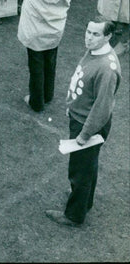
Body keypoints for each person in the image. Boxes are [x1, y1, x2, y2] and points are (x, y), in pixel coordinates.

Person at [45, 20, 122, 227]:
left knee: (80, 170)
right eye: (88, 31)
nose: (89, 37)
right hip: (82, 119)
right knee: (88, 166)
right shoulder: (93, 51)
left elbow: (102, 107)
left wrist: (84, 134)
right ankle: (85, 201)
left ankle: (74, 215)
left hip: (88, 124)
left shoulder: (107, 68)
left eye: (96, 34)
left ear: (108, 37)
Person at [15, 0, 76, 112]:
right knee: (50, 63)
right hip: (55, 31)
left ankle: (36, 102)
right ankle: (47, 95)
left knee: (36, 67)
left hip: (34, 32)